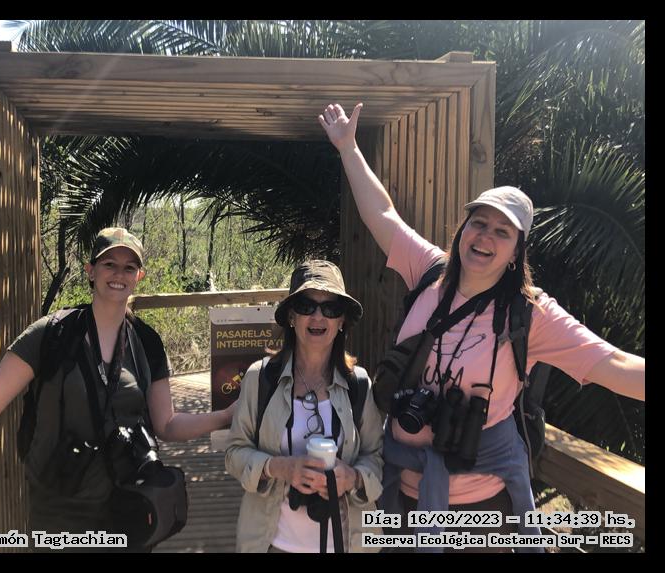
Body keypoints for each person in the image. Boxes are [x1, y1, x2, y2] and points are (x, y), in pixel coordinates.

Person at [319, 103, 645, 553]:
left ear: (516, 252)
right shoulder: (429, 271)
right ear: (462, 230)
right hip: (401, 497)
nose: (486, 236)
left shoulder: (530, 314)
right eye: (479, 222)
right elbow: (383, 214)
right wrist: (348, 148)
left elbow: (616, 364)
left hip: (481, 511)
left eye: (503, 231)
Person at [0, 227, 235, 551]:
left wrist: (224, 417)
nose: (119, 274)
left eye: (129, 268)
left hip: (128, 504)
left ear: (139, 277)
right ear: (90, 270)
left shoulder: (146, 341)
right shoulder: (52, 334)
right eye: (109, 264)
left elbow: (166, 424)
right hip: (60, 511)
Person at [226, 260, 384, 553]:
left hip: (347, 543)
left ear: (341, 321)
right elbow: (235, 453)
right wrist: (280, 468)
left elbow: (376, 456)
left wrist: (352, 478)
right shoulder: (260, 379)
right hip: (272, 544)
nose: (318, 316)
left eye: (331, 308)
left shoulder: (359, 384)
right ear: (291, 316)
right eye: (306, 306)